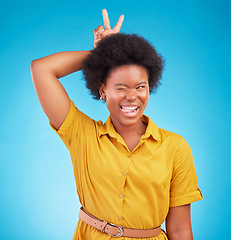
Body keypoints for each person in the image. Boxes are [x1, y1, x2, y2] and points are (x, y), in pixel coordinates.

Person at [31, 9, 203, 240]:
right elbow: (41, 69)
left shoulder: (176, 148)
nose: (132, 96)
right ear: (103, 91)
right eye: (121, 87)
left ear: (149, 89)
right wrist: (100, 55)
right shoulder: (82, 134)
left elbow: (180, 230)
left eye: (140, 87)